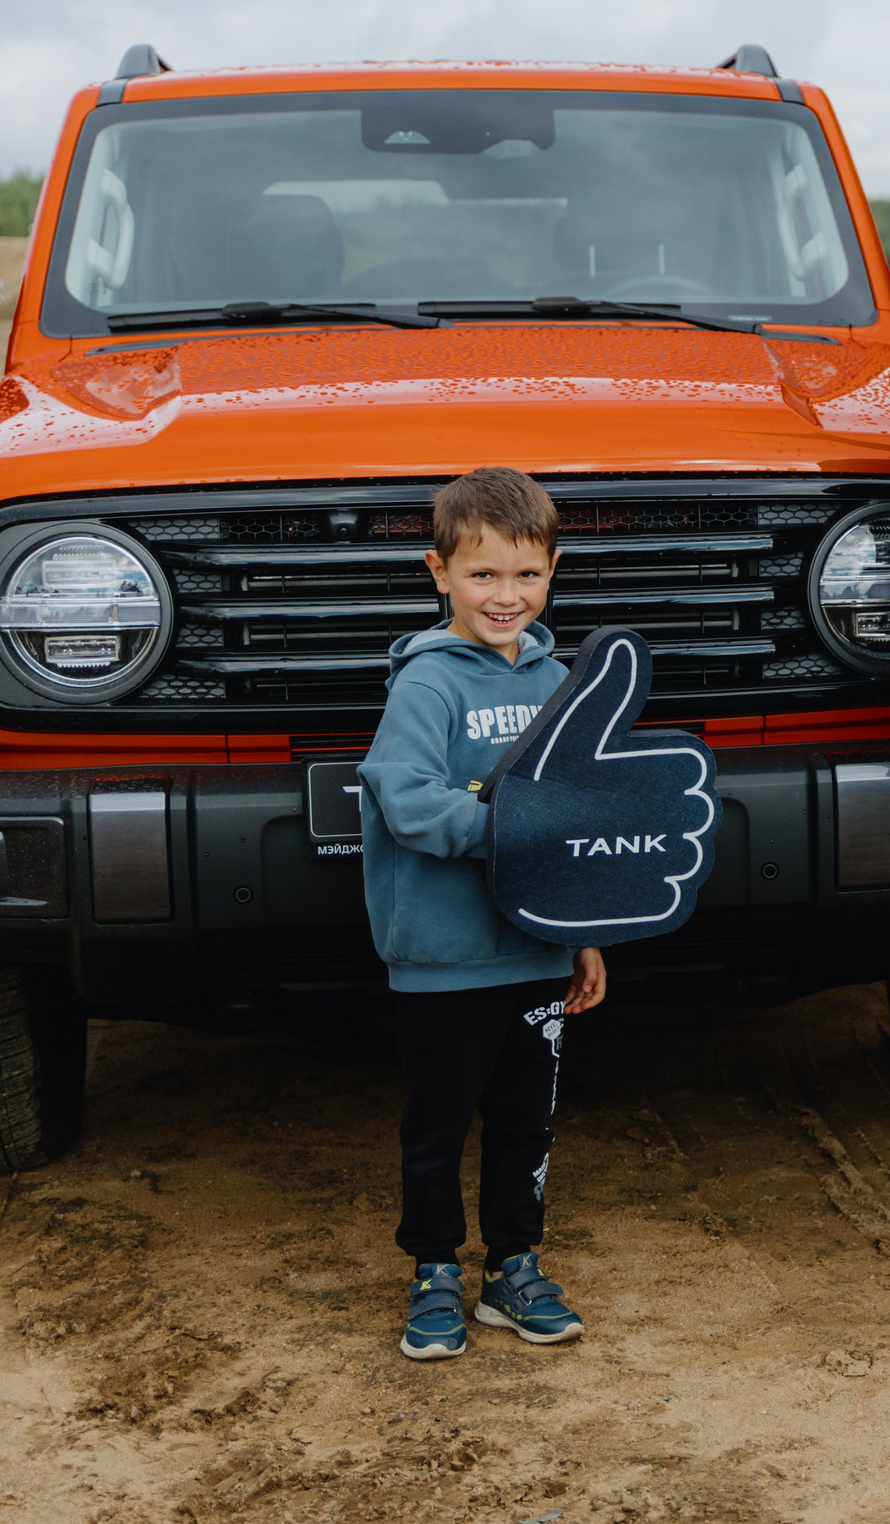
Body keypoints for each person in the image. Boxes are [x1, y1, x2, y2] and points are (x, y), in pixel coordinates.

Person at [359, 466, 609, 1361]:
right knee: (438, 1120)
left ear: (553, 571)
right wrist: (507, 833)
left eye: (526, 575)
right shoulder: (427, 687)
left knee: (525, 1120)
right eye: (483, 575)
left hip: (537, 953)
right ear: (440, 573)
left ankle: (513, 1268)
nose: (507, 597)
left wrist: (580, 932)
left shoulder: (558, 681)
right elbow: (408, 799)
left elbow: (573, 812)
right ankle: (433, 1272)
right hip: (446, 955)